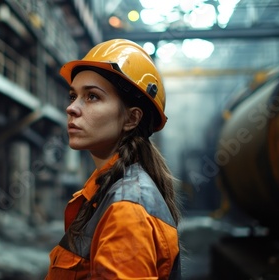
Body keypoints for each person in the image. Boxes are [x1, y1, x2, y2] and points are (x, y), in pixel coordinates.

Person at [45, 39, 181, 279]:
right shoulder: (105, 194)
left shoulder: (126, 209)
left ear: (131, 119)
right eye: (73, 96)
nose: (72, 108)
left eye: (92, 97)